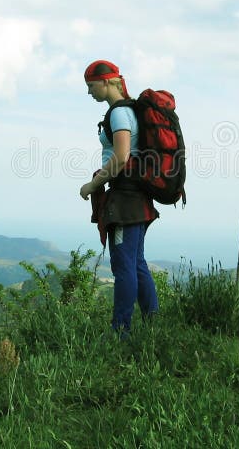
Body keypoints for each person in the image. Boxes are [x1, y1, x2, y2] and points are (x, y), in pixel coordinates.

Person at [79, 60, 159, 334]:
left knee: (123, 267)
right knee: (136, 264)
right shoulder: (129, 110)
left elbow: (121, 156)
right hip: (136, 198)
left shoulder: (119, 114)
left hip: (126, 199)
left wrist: (92, 185)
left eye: (90, 86)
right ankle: (152, 326)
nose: (89, 92)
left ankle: (120, 333)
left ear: (105, 82)